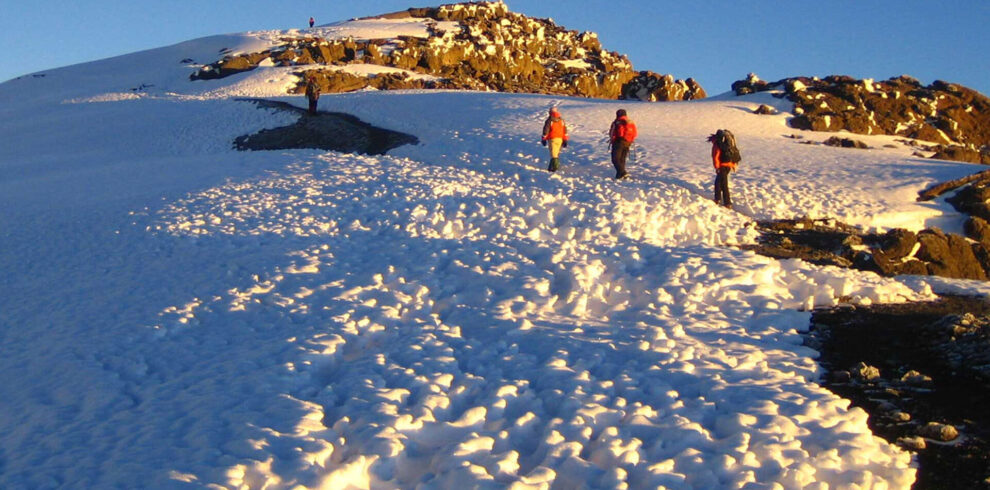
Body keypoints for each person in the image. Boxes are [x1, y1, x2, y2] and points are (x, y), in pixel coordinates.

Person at [708, 129, 739, 208]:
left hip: (722, 166)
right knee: (719, 182)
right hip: (729, 165)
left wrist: (717, 167)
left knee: (722, 183)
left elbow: (716, 157)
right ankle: (719, 198)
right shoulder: (729, 143)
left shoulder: (717, 144)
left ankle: (726, 202)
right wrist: (733, 164)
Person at [608, 109, 637, 179]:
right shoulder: (630, 122)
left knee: (615, 159)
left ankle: (623, 172)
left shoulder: (617, 122)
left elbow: (612, 133)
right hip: (628, 142)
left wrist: (612, 139)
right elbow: (635, 133)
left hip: (618, 142)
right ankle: (620, 175)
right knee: (622, 159)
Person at [541, 107, 568, 172]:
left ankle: (555, 167)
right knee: (556, 153)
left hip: (552, 138)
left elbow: (546, 130)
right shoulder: (561, 120)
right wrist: (565, 139)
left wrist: (543, 138)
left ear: (550, 112)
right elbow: (565, 130)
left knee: (553, 154)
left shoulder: (549, 120)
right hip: (560, 139)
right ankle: (551, 168)